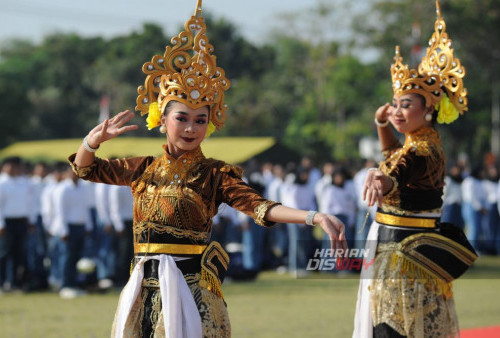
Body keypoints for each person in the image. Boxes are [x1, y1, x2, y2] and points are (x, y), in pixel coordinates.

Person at [68, 1, 346, 337]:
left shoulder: (215, 174)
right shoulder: (141, 168)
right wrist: (91, 142)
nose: (190, 128)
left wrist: (313, 217)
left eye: (200, 120)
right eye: (181, 118)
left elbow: (260, 207)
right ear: (162, 119)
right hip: (142, 288)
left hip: (191, 293)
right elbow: (86, 170)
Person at [353, 1, 477, 337]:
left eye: (405, 105)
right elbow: (395, 153)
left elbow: (401, 170)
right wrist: (381, 125)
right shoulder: (419, 141)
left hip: (404, 257)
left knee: (394, 328)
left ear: (428, 111)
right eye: (394, 104)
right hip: (403, 250)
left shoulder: (423, 150)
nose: (396, 110)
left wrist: (385, 179)